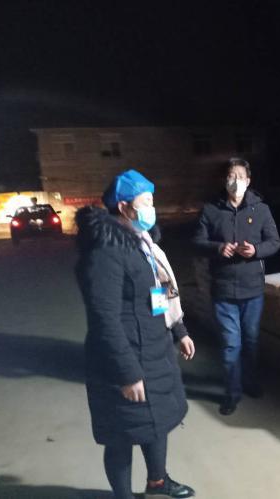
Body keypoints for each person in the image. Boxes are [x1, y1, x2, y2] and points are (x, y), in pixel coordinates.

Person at [75, 169, 196, 499]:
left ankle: (158, 482)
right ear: (125, 207)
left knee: (156, 423)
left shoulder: (142, 243)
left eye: (152, 201)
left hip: (154, 350)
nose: (151, 208)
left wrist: (179, 329)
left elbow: (160, 291)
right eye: (146, 202)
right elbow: (104, 318)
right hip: (123, 357)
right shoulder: (106, 250)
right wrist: (127, 373)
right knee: (122, 434)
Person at [193, 157, 280, 416]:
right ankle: (232, 393)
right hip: (223, 290)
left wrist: (256, 250)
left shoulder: (260, 209)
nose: (235, 182)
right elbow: (197, 242)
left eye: (240, 177)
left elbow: (274, 241)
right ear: (225, 180)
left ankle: (250, 382)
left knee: (250, 341)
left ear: (248, 181)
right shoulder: (211, 210)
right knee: (231, 344)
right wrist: (218, 248)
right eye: (231, 177)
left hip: (252, 289)